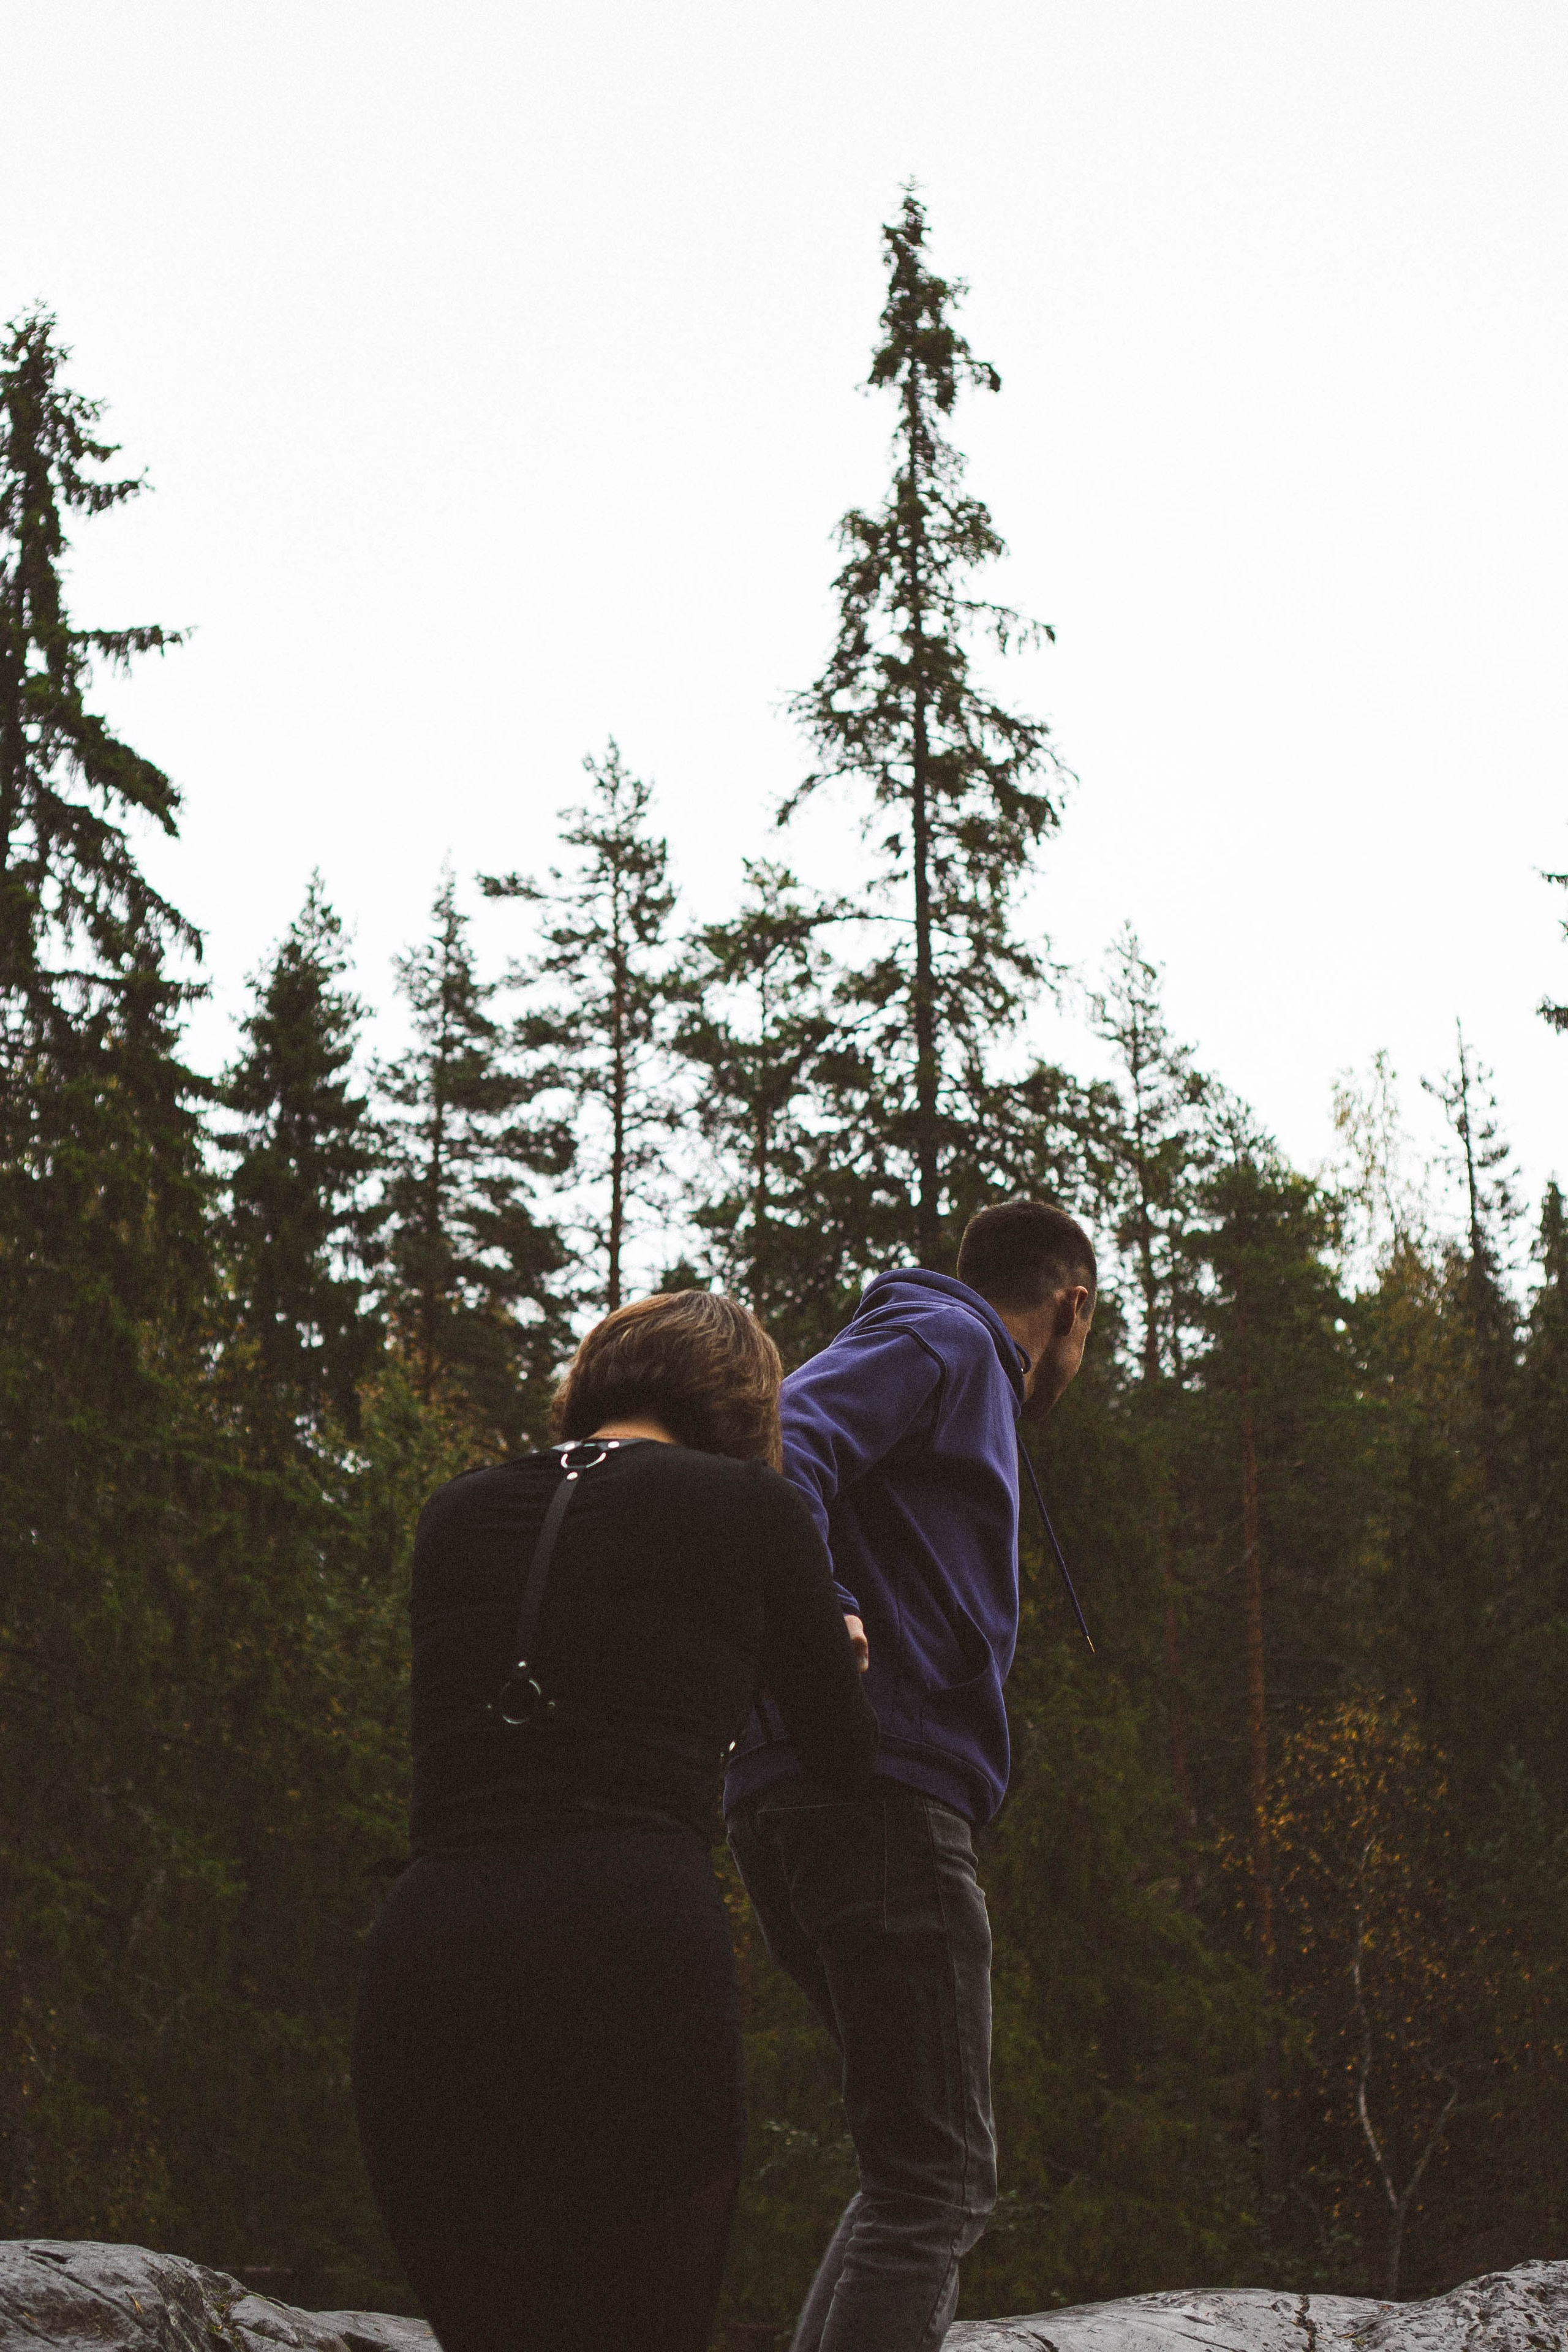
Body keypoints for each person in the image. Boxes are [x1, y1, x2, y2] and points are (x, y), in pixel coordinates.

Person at [352, 1290, 879, 2352]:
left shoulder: (454, 1512)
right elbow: (842, 1758)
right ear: (743, 1407)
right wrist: (839, 1643)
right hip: (630, 1946)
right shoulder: (750, 1505)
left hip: (429, 1952)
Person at [725, 1200, 1097, 2352]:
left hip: (804, 1797)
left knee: (909, 2170)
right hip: (873, 1793)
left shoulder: (946, 1355)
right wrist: (828, 1611)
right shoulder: (947, 1340)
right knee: (935, 2182)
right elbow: (780, 1451)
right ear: (1072, 1305)